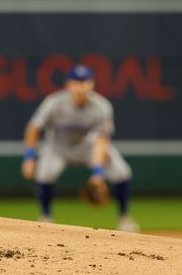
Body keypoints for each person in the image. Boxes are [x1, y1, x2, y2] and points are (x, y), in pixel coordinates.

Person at [20, 64, 140, 232]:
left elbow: (101, 141)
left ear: (92, 84)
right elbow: (34, 127)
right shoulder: (54, 103)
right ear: (68, 85)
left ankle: (125, 218)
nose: (81, 87)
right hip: (58, 146)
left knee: (122, 172)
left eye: (85, 82)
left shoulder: (102, 106)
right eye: (77, 82)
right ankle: (46, 217)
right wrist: (29, 157)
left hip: (88, 145)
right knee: (45, 174)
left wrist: (98, 174)